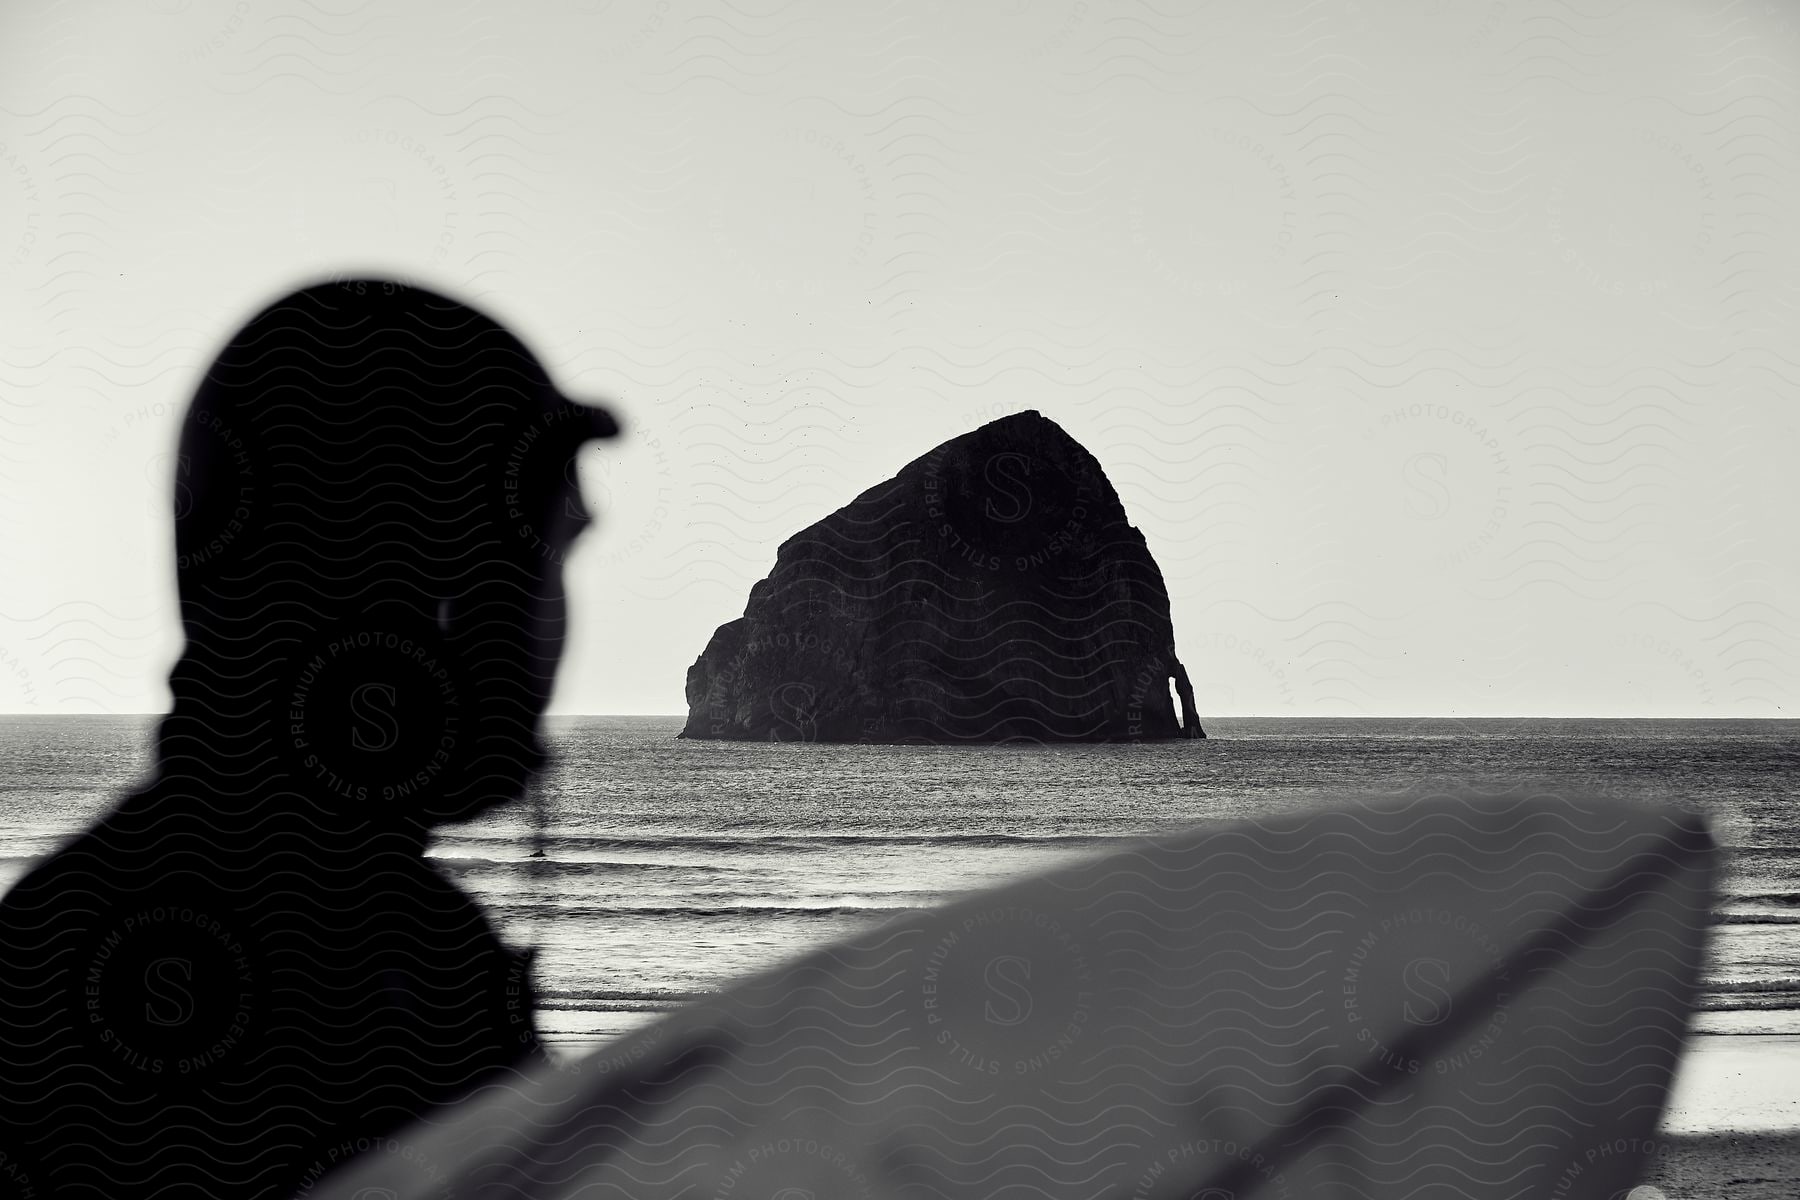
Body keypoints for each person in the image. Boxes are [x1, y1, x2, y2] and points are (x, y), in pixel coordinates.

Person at [0, 277, 618, 1198]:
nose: (557, 624)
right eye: (547, 561)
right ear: (451, 595)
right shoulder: (389, 973)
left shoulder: (62, 936)